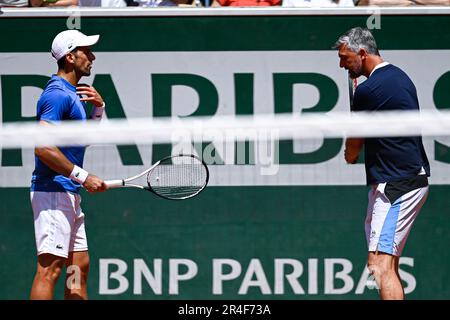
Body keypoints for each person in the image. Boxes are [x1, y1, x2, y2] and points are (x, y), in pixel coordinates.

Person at [334, 27, 430, 300]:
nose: (342, 64)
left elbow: (355, 142)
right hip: (402, 180)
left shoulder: (369, 89)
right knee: (388, 266)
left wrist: (350, 155)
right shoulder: (400, 76)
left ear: (362, 53)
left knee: (378, 266)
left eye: (345, 58)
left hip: (398, 185)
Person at [30, 29, 108, 300]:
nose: (92, 56)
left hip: (67, 193)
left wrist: (98, 110)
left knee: (78, 266)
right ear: (70, 57)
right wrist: (83, 176)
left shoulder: (73, 95)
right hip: (52, 192)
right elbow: (42, 147)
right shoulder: (56, 95)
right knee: (50, 270)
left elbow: (83, 140)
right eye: (86, 51)